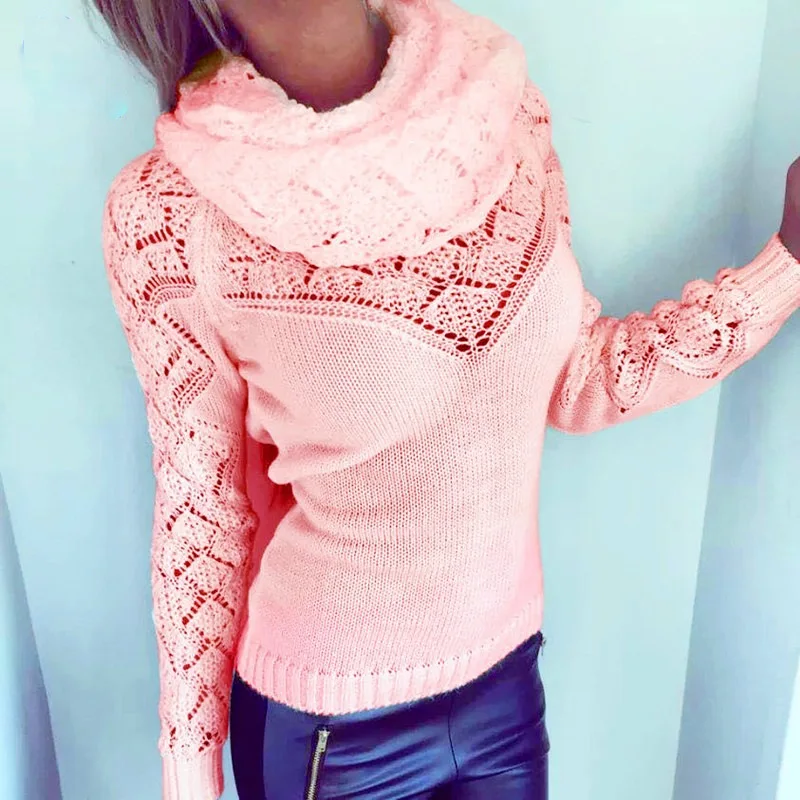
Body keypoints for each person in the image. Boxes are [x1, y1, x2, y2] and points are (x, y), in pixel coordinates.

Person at [91, 0, 800, 798]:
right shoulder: (172, 213)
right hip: (330, 735)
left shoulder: (501, 111)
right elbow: (202, 512)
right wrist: (190, 776)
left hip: (505, 694)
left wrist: (786, 264)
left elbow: (579, 378)